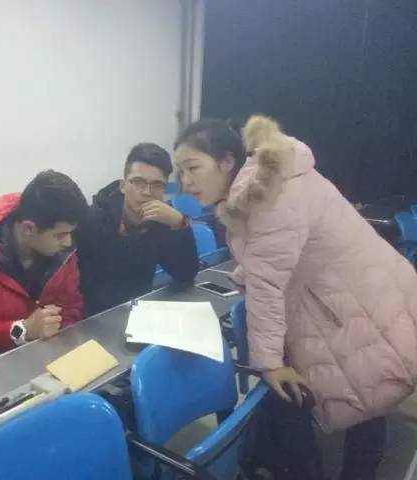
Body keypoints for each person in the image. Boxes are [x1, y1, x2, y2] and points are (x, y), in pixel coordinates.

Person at [174, 115, 417, 480]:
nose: (185, 182)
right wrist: (248, 276)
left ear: (226, 162)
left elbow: (269, 284)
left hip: (355, 305)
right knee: (370, 394)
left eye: (192, 167)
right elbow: (280, 255)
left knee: (365, 391)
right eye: (180, 171)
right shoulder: (272, 180)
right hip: (366, 294)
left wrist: (270, 363)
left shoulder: (270, 197)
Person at [0, 170, 88, 366]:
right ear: (28, 229)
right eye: (60, 235)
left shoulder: (62, 254)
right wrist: (22, 330)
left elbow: (71, 310)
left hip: (48, 359)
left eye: (70, 233)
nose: (68, 242)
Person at [75, 143, 198, 316]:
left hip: (140, 313)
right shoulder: (92, 221)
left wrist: (179, 223)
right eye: (138, 182)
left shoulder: (162, 220)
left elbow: (185, 274)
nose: (147, 192)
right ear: (123, 185)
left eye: (157, 185)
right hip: (92, 318)